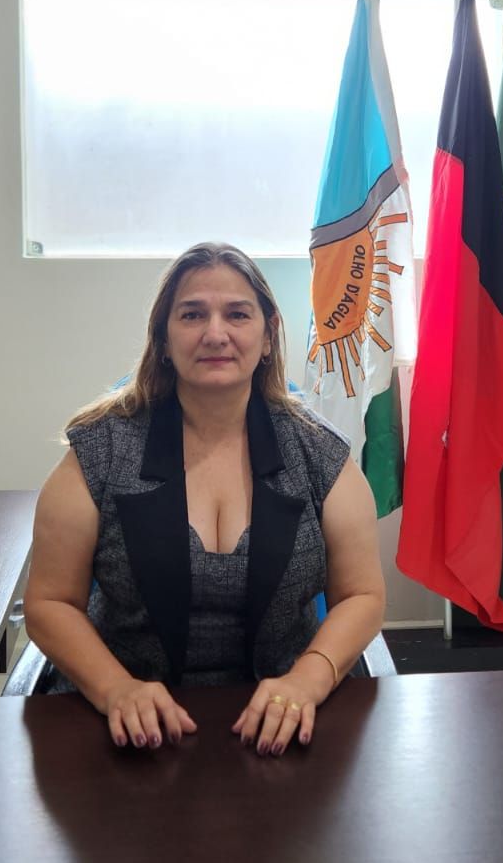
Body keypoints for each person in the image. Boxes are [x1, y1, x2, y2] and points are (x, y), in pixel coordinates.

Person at [24, 241, 385, 756]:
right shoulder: (99, 450)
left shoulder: (319, 453)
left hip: (284, 723)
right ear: (163, 339)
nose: (216, 334)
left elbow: (362, 595)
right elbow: (50, 601)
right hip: (125, 728)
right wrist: (115, 688)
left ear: (268, 336)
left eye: (237, 314)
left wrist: (309, 678)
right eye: (192, 314)